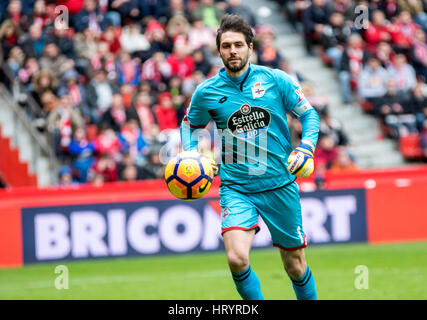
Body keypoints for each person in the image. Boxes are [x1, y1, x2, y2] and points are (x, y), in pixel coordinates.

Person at [180, 14, 319, 300]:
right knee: (236, 258)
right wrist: (192, 155)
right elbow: (190, 125)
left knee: (295, 265)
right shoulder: (206, 92)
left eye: (239, 45)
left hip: (280, 184)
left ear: (250, 47)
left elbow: (309, 114)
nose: (233, 51)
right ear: (219, 50)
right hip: (236, 187)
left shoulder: (275, 79)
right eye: (227, 45)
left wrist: (306, 147)